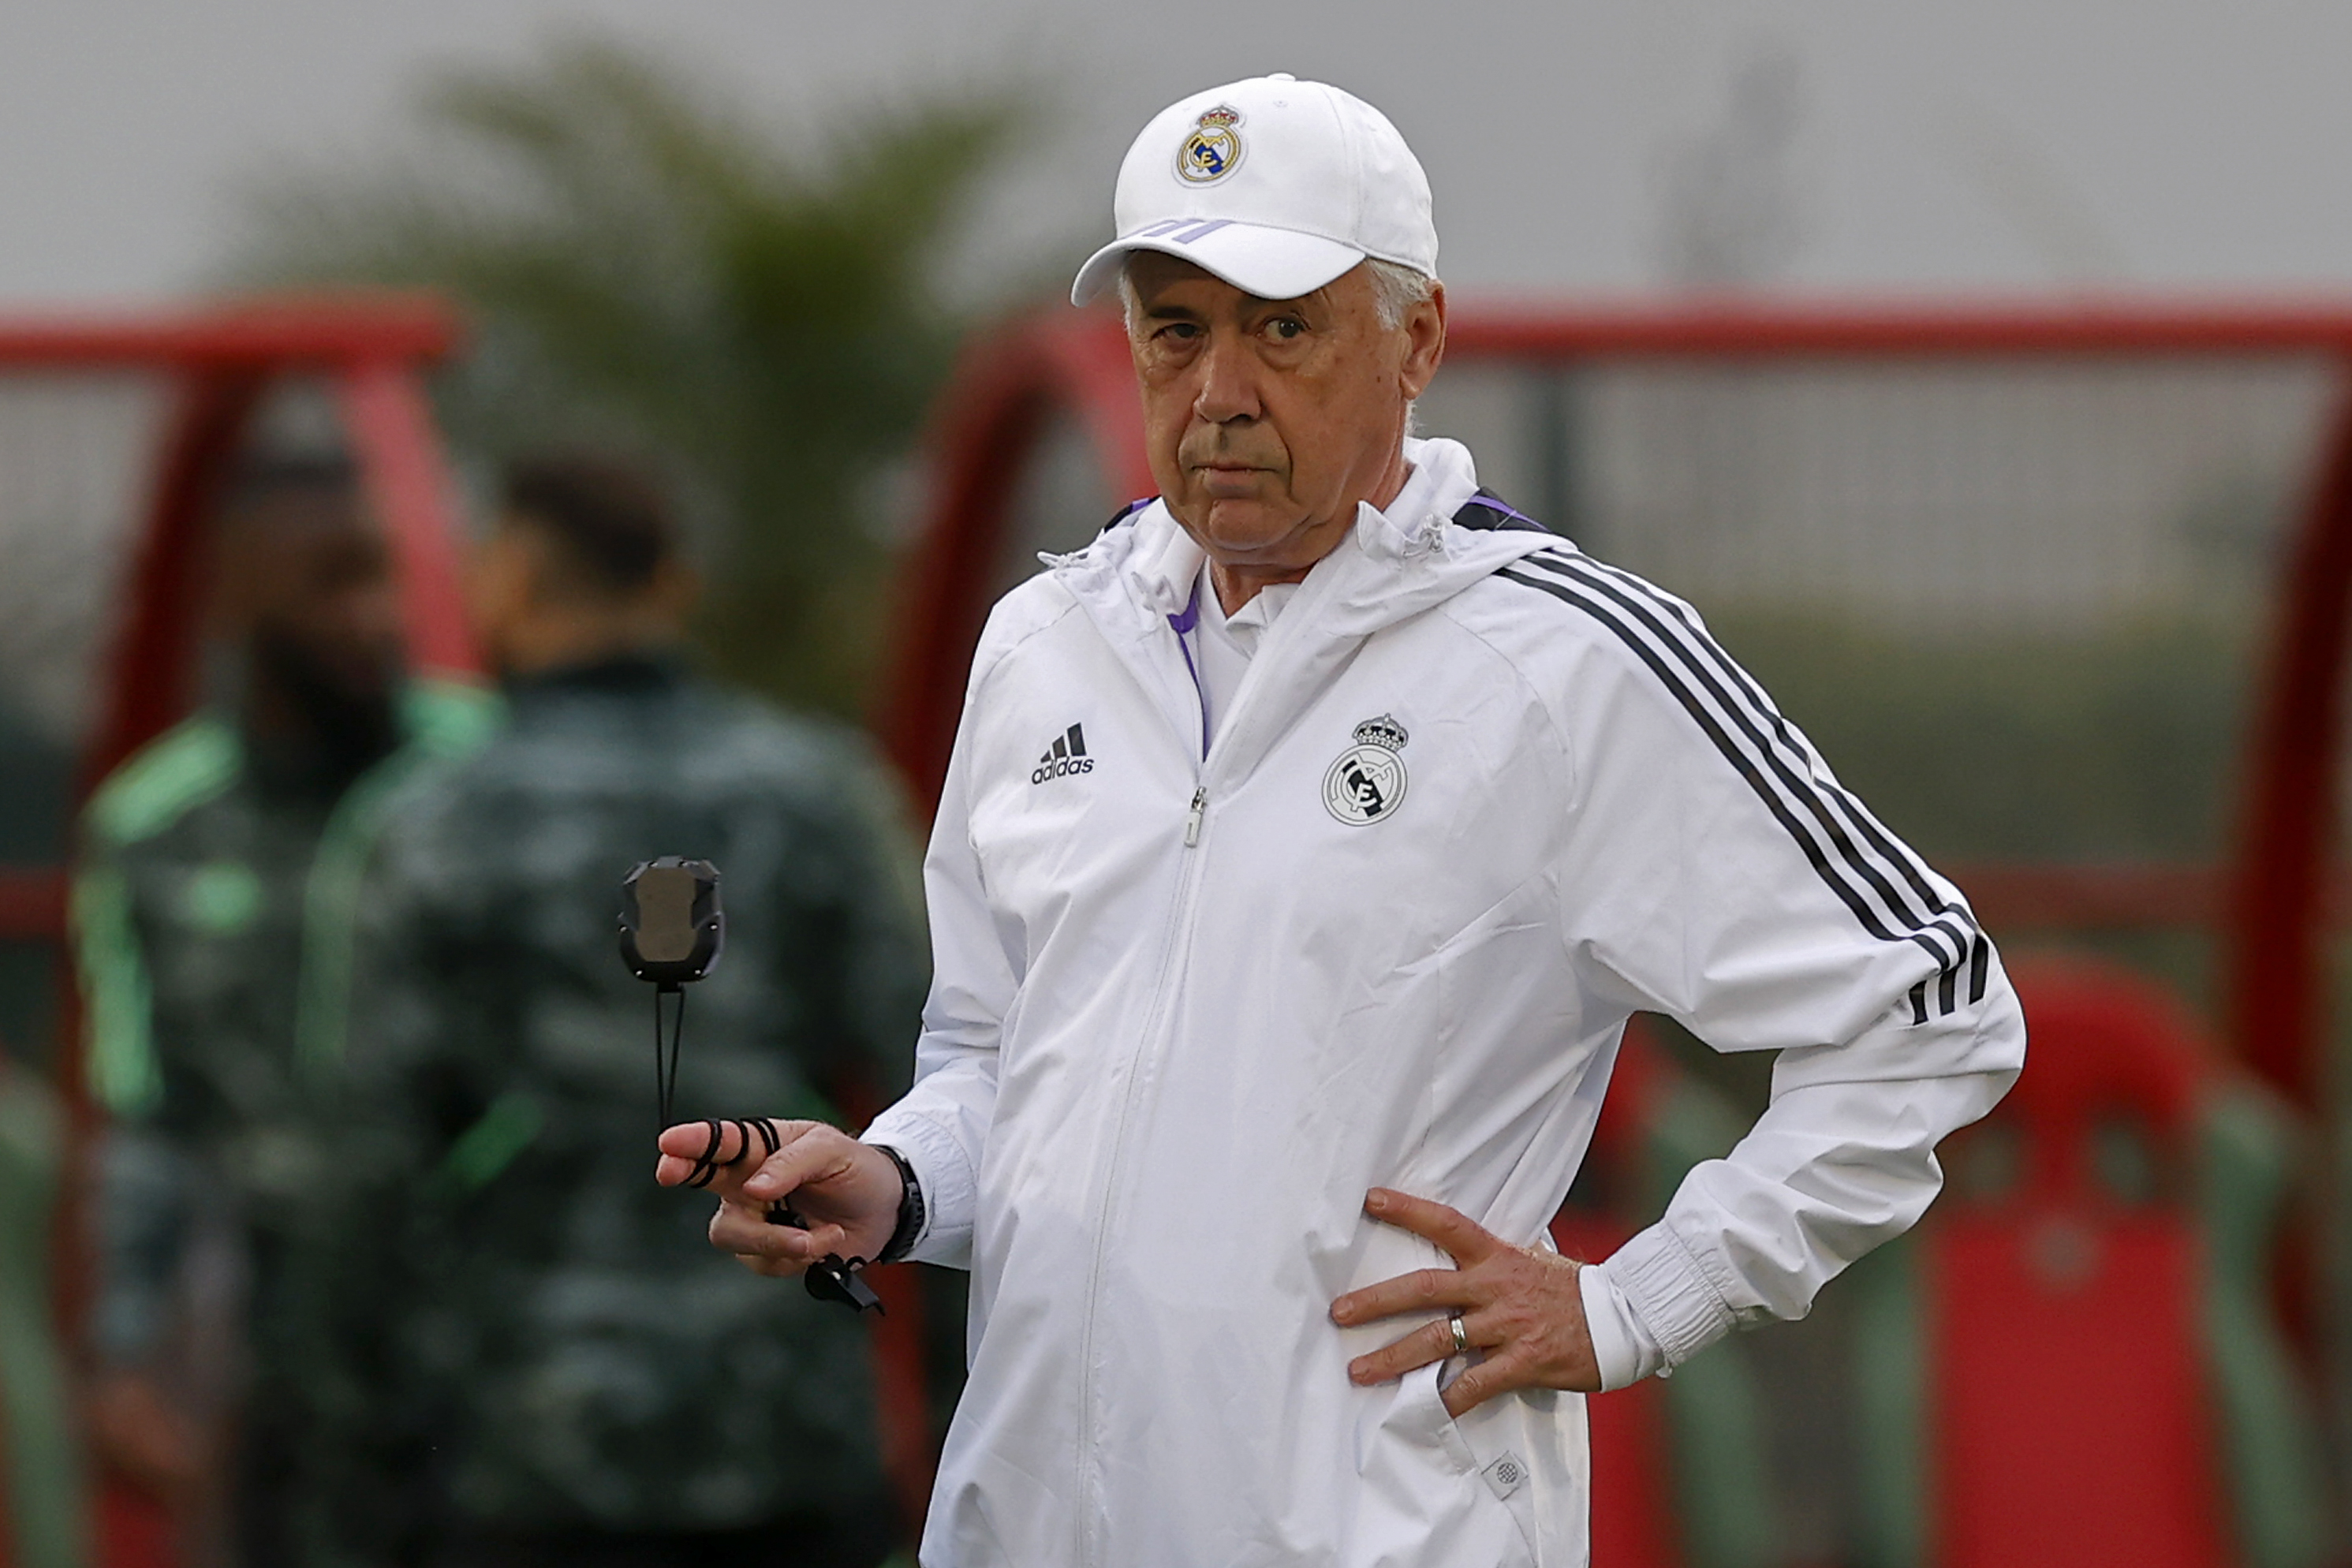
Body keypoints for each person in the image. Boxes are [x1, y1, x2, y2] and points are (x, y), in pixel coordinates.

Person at [663, 75, 2026, 1567]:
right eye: (1175, 330)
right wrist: (901, 1182)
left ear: (1418, 340)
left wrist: (1643, 1299)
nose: (1220, 390)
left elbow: (1932, 1013)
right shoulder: (1043, 640)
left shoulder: (1563, 661)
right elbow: (1001, 1061)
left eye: (1283, 327)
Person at [341, 453, 927, 1568]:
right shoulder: (820, 791)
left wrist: (365, 1484)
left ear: (506, 579)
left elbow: (368, 1167)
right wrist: (951, 1424)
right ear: (673, 586)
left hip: (527, 1445)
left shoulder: (432, 818)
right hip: (786, 1430)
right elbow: (936, 1098)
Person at [74, 452, 495, 1565]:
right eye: (334, 579)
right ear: (234, 597)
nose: (375, 617)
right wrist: (122, 1352)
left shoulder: (482, 770)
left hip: (499, 1344)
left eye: (386, 579)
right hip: (282, 1351)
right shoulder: (154, 822)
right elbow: (148, 1110)